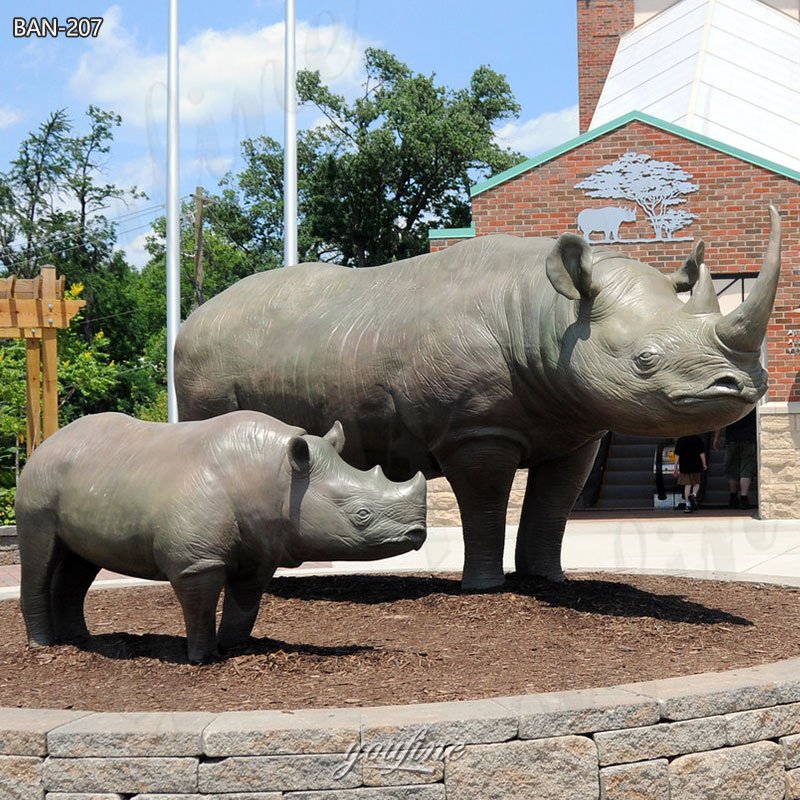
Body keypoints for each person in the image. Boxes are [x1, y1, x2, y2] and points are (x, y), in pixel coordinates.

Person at [714, 408, 757, 509]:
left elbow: (720, 420)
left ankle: (733, 497)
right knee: (747, 469)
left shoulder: (731, 404)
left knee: (732, 469)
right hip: (749, 439)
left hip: (732, 439)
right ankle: (744, 498)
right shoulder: (752, 403)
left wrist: (716, 437)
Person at [673, 434, 707, 513]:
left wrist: (675, 466)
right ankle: (693, 495)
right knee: (697, 483)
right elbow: (701, 453)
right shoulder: (698, 439)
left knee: (687, 486)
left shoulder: (681, 440)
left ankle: (687, 505)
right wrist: (704, 464)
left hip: (685, 466)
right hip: (696, 465)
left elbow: (677, 454)